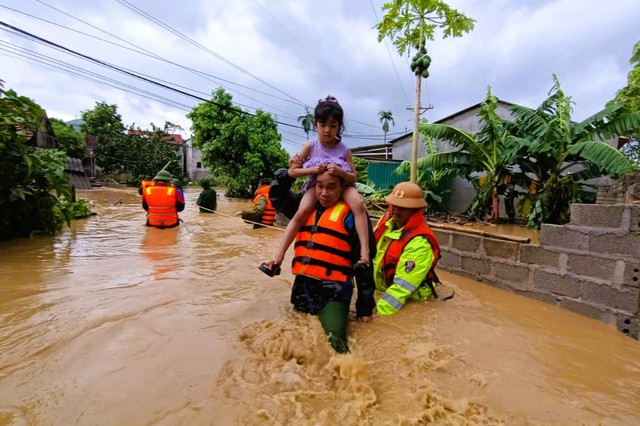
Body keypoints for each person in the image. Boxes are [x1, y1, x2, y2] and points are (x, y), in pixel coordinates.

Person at [261, 170, 376, 354]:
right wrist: (290, 174)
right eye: (320, 186)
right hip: (303, 287)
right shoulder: (303, 206)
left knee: (336, 345)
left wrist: (364, 307)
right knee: (294, 339)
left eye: (331, 187)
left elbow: (365, 264)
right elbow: (277, 195)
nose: (324, 193)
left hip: (334, 291)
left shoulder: (352, 216)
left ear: (343, 187)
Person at [268, 95, 370, 270]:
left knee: (358, 205)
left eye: (333, 126)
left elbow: (353, 177)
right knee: (301, 213)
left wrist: (339, 172)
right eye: (323, 125)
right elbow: (293, 172)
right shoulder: (310, 146)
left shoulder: (344, 149)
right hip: (316, 185)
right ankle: (278, 258)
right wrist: (312, 170)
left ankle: (365, 255)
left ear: (339, 127)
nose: (327, 130)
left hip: (342, 186)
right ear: (316, 124)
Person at [372, 181, 451, 316]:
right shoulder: (386, 222)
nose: (395, 210)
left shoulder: (420, 244)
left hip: (411, 301)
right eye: (394, 205)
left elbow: (400, 290)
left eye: (402, 207)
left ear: (415, 210)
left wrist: (377, 315)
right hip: (383, 290)